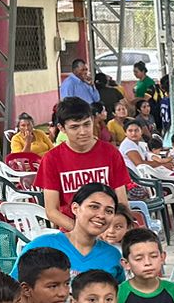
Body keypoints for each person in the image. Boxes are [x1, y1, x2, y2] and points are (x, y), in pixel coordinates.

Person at [34, 99, 132, 232]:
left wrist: (112, 230)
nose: (83, 131)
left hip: (108, 232)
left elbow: (122, 202)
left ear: (93, 121)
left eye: (87, 124)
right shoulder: (51, 159)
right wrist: (83, 232)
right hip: (72, 232)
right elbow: (52, 211)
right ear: (61, 128)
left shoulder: (111, 153)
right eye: (75, 127)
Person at [15, 183, 124, 283]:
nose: (101, 215)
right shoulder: (42, 245)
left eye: (109, 211)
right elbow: (13, 288)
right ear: (75, 208)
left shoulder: (113, 256)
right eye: (94, 207)